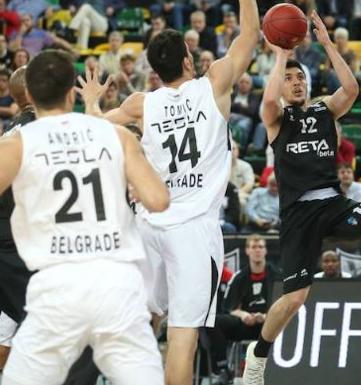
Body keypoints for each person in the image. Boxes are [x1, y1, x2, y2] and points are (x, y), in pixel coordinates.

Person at [78, 1, 260, 384]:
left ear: (155, 72)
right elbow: (249, 36)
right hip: (193, 229)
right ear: (189, 61)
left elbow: (95, 126)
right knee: (183, 336)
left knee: (145, 322)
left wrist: (92, 100)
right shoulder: (214, 85)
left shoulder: (141, 103)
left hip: (149, 225)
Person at [242, 11, 361, 385]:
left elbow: (352, 90)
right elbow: (268, 105)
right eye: (289, 79)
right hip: (298, 212)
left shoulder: (326, 109)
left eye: (300, 77)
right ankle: (257, 355)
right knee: (294, 300)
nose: (295, 83)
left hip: (332, 202)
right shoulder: (278, 120)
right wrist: (280, 56)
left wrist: (327, 44)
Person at [0, 49, 169, 385]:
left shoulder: (17, 144)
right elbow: (158, 200)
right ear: (70, 93)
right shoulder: (116, 135)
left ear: (29, 96)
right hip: (117, 285)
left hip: (56, 286)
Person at [207, 234, 281, 382]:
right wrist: (244, 315)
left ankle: (281, 369)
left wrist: (266, 316)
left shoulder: (278, 275)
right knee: (213, 321)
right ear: (247, 251)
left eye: (260, 247)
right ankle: (223, 369)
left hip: (271, 324)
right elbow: (230, 308)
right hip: (246, 324)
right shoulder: (239, 277)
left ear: (266, 251)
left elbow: (284, 305)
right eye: (254, 247)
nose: (257, 251)